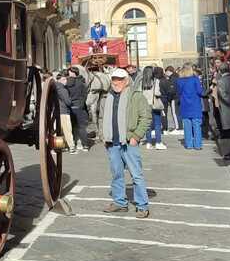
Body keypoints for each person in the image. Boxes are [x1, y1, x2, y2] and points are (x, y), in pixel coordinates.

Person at [101, 67, 152, 218]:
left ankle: (142, 205)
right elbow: (101, 117)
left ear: (125, 81)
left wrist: (136, 136)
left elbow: (146, 118)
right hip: (112, 142)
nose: (115, 82)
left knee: (136, 175)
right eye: (113, 79)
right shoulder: (107, 97)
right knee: (116, 174)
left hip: (129, 142)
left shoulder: (136, 96)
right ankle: (119, 203)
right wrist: (103, 135)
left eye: (119, 79)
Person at [176, 63, 205, 150]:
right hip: (195, 104)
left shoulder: (179, 80)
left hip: (185, 105)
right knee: (196, 125)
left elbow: (179, 92)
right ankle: (197, 145)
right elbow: (200, 92)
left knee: (187, 126)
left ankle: (189, 144)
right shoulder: (195, 79)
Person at [66, 67, 91, 150]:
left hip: (70, 106)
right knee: (81, 127)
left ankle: (74, 143)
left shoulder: (67, 83)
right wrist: (81, 104)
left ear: (72, 73)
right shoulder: (81, 83)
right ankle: (85, 145)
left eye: (69, 73)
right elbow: (84, 95)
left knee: (72, 126)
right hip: (80, 106)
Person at [143, 66, 167, 150]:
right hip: (154, 105)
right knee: (157, 124)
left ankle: (148, 143)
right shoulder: (156, 81)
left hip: (145, 105)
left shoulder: (142, 82)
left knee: (148, 124)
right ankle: (158, 142)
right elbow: (157, 93)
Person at [55, 73, 76, 154]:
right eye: (64, 79)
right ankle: (71, 147)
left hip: (57, 111)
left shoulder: (55, 88)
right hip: (64, 111)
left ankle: (61, 146)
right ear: (60, 80)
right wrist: (71, 102)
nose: (66, 81)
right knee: (67, 129)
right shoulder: (62, 89)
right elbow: (67, 101)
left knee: (60, 130)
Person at [164, 66, 181, 134]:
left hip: (174, 97)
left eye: (166, 72)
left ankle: (178, 128)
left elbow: (172, 89)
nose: (165, 73)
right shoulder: (177, 76)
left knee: (174, 113)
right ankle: (180, 127)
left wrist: (169, 97)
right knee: (178, 113)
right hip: (178, 96)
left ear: (168, 71)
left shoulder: (172, 78)